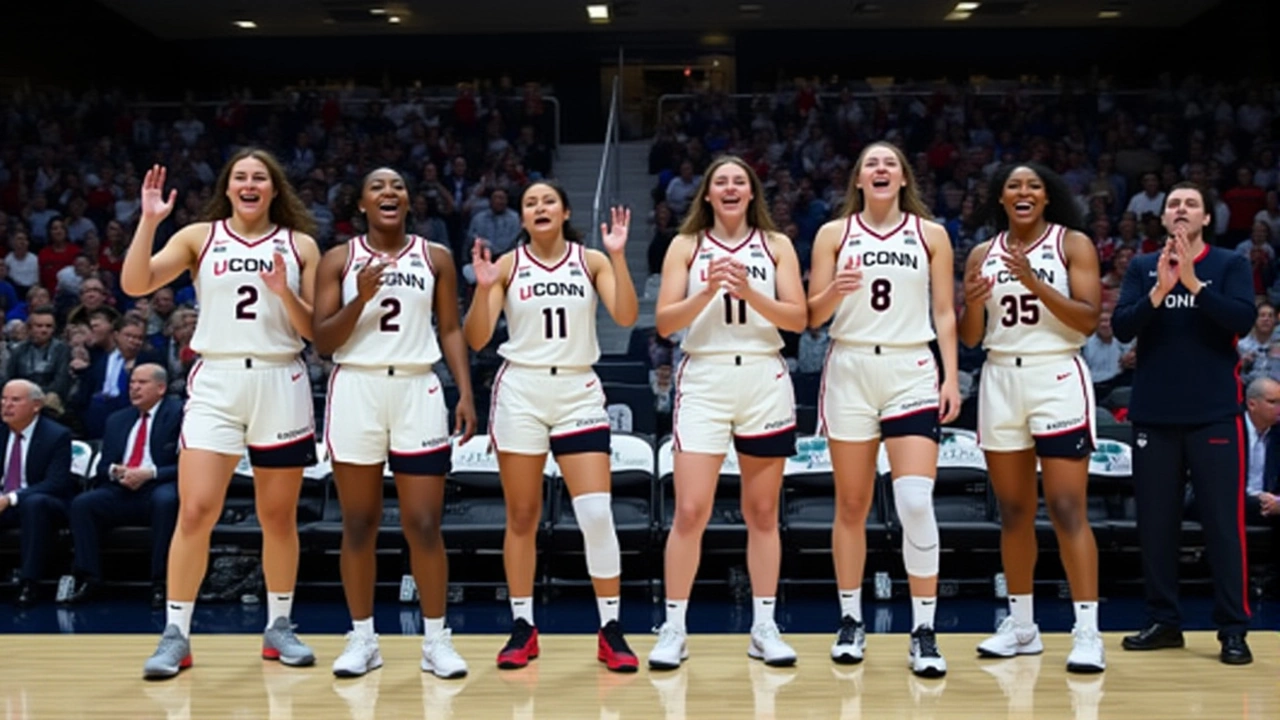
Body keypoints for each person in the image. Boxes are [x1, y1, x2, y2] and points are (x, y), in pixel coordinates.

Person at [121, 150, 322, 679]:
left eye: (260, 177)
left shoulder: (300, 245)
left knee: (278, 517)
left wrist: (284, 293)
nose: (250, 184)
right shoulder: (198, 237)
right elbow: (135, 283)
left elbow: (315, 330)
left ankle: (279, 626)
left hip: (281, 378)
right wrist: (148, 221)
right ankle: (176, 635)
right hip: (217, 380)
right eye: (240, 177)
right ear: (228, 188)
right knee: (196, 510)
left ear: (274, 189)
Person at [463, 181, 640, 672]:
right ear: (522, 219)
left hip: (578, 390)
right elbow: (478, 338)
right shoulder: (506, 266)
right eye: (530, 203)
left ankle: (610, 628)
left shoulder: (593, 261)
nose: (539, 208)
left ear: (564, 211)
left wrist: (619, 256)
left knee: (597, 513)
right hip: (521, 392)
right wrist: (482, 289)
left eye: (548, 201)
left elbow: (626, 316)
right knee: (522, 516)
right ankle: (522, 626)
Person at [313, 168, 477, 679]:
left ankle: (436, 641)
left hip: (416, 388)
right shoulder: (338, 259)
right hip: (356, 388)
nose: (390, 192)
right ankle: (363, 638)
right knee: (359, 523)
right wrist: (359, 297)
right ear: (361, 203)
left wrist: (465, 391)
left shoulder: (436, 258)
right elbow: (323, 342)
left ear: (408, 201)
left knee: (424, 524)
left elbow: (449, 327)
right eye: (378, 187)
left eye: (398, 187)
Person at [807, 142, 960, 677]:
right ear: (857, 180)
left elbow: (944, 309)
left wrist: (951, 375)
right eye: (870, 163)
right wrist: (834, 291)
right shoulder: (833, 234)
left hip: (911, 368)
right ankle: (850, 621)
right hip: (849, 368)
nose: (879, 169)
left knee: (915, 500)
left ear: (902, 179)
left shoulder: (931, 234)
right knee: (851, 505)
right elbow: (812, 316)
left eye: (889, 163)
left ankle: (924, 630)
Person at [648, 155, 807, 670]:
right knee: (691, 510)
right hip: (706, 377)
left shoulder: (776, 244)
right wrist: (711, 290)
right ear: (709, 195)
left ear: (751, 191)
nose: (731, 187)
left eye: (740, 180)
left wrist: (749, 292)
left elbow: (798, 319)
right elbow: (666, 323)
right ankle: (674, 628)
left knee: (762, 513)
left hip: (763, 375)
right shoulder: (685, 245)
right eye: (722, 181)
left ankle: (764, 626)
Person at [958, 162, 1105, 673]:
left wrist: (1033, 282)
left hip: (1055, 376)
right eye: (1013, 186)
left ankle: (1087, 632)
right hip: (1000, 378)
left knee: (1066, 508)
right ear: (1001, 199)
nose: (1023, 192)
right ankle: (1021, 627)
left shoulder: (1073, 244)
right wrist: (971, 304)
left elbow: (1087, 319)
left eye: (1033, 186)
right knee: (1014, 512)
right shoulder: (981, 253)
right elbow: (970, 336)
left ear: (1046, 197)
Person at [1112, 182, 1257, 665]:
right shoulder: (1140, 265)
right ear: (1163, 214)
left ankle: (1232, 629)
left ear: (1206, 218)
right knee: (1156, 526)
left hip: (1214, 412)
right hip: (1154, 412)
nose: (1180, 209)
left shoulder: (1229, 264)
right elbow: (1122, 327)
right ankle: (1163, 621)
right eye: (1174, 203)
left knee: (1222, 526)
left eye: (1191, 203)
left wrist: (1193, 284)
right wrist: (1160, 289)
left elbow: (1239, 318)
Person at [65, 364, 181, 609]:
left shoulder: (179, 414)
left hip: (159, 485)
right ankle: (89, 578)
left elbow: (187, 465)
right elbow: (103, 466)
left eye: (142, 383)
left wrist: (150, 473)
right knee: (83, 504)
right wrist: (115, 472)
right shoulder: (117, 419)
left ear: (161, 388)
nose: (134, 388)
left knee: (166, 501)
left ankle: (162, 581)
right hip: (122, 487)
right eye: (132, 383)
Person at [0, 379, 74, 606]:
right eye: (3, 399)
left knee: (34, 504)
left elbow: (56, 482)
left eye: (15, 400)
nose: (6, 405)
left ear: (36, 405)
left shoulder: (57, 435)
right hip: (4, 501)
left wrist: (11, 498)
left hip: (45, 502)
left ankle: (29, 582)